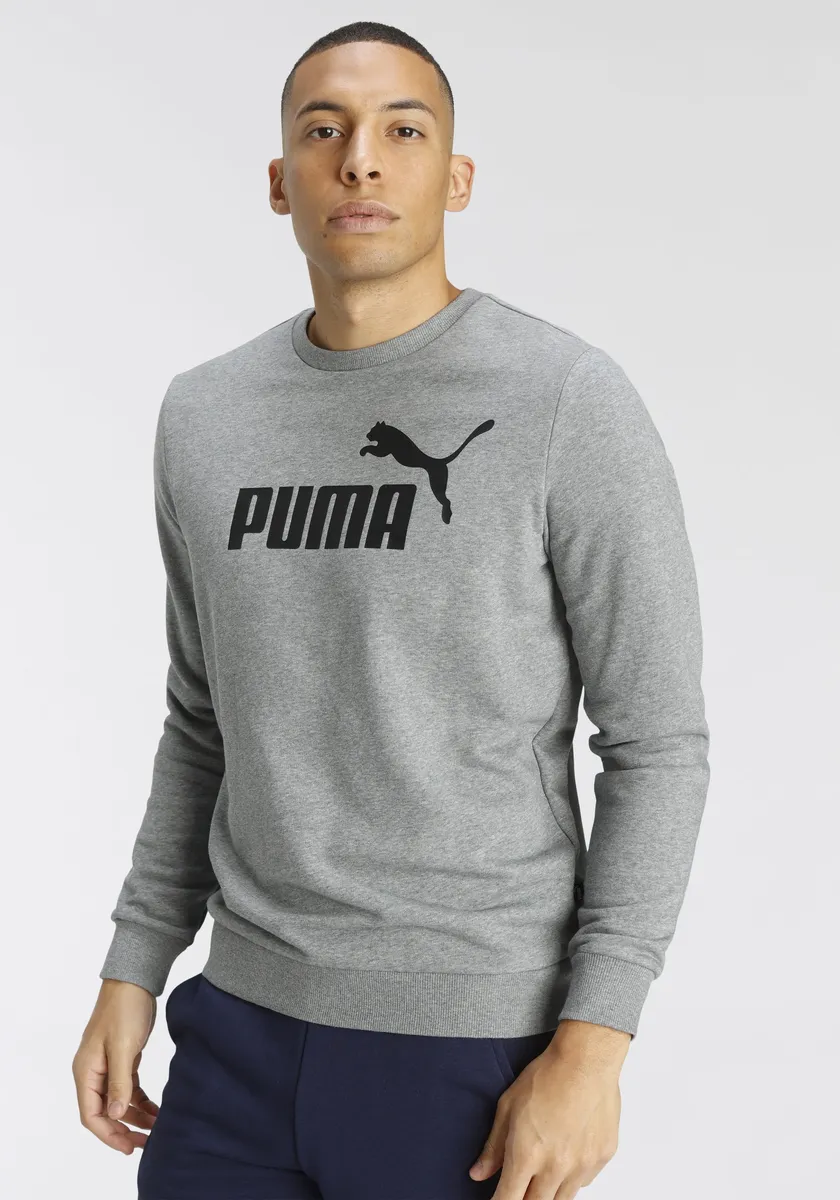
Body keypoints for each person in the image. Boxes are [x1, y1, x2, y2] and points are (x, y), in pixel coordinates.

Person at [72, 19, 711, 1200]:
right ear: (281, 181)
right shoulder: (205, 415)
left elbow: (657, 742)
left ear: (455, 178)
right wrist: (134, 964)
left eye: (402, 131)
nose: (360, 157)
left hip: (467, 1044)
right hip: (235, 1031)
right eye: (324, 130)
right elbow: (202, 721)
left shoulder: (566, 401)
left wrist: (594, 1045)